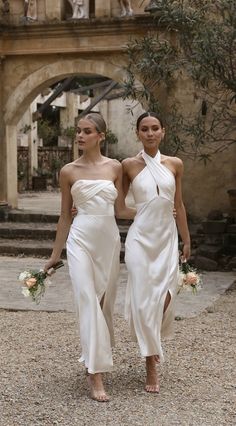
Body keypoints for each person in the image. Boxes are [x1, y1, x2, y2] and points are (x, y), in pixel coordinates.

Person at [44, 113, 135, 402]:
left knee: (102, 303)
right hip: (80, 239)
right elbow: (63, 216)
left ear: (101, 136)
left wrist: (156, 210)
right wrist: (54, 256)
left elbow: (120, 209)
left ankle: (94, 357)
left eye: (87, 131)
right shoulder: (68, 171)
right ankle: (95, 376)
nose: (80, 136)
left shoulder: (115, 167)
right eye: (78, 131)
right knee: (86, 300)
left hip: (108, 240)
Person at [122, 111, 191, 393]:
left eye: (154, 128)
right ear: (137, 133)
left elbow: (180, 204)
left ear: (163, 131)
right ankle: (150, 362)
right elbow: (116, 207)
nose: (150, 133)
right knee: (142, 300)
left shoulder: (175, 164)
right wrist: (81, 208)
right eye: (144, 129)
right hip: (140, 239)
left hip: (166, 239)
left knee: (165, 295)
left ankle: (152, 341)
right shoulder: (127, 165)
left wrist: (186, 239)